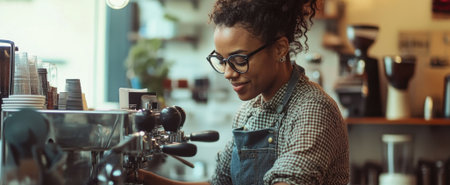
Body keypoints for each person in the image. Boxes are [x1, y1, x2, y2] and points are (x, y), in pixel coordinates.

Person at [139, 0, 349, 184]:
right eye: (222, 61)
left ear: (280, 49)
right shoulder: (247, 113)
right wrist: (143, 179)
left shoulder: (312, 110)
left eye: (239, 60)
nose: (228, 73)